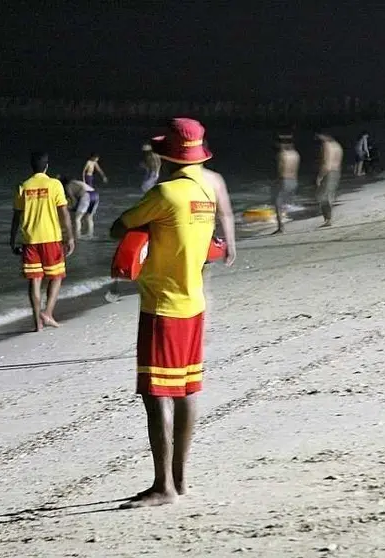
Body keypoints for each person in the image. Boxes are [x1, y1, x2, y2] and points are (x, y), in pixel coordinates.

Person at [110, 118, 232, 509]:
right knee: (185, 391)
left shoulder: (166, 192)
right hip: (194, 303)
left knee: (155, 395)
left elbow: (119, 226)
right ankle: (180, 480)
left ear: (168, 154)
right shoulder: (206, 188)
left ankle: (163, 487)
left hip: (162, 308)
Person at [10, 151, 76, 332]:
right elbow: (64, 212)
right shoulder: (54, 184)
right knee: (56, 276)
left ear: (31, 166)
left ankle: (37, 324)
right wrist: (70, 236)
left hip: (30, 239)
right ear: (47, 166)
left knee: (35, 281)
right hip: (51, 238)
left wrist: (12, 240)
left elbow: (16, 216)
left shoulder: (23, 186)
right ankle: (47, 312)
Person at [272, 133, 300, 234]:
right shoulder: (295, 154)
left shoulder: (282, 154)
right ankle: (286, 220)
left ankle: (281, 227)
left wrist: (277, 181)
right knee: (285, 202)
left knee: (278, 203)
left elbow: (281, 169)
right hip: (294, 180)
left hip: (284, 180)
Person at [315, 133, 343, 227]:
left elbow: (327, 164)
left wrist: (320, 177)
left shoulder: (327, 145)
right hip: (336, 171)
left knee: (322, 197)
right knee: (329, 195)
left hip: (329, 173)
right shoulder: (337, 145)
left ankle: (328, 219)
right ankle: (328, 219)